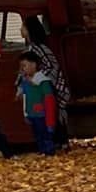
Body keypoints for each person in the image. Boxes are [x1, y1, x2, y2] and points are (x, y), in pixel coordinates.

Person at [22, 17, 71, 148]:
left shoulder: (37, 48)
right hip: (38, 88)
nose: (21, 30)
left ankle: (59, 141)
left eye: (23, 27)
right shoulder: (34, 47)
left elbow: (50, 66)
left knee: (50, 113)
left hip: (46, 87)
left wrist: (37, 78)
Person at [13, 53, 58, 155]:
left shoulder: (43, 81)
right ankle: (42, 150)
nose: (22, 69)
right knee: (37, 134)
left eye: (24, 65)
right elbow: (24, 95)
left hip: (42, 113)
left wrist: (50, 117)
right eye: (21, 66)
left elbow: (49, 99)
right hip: (31, 112)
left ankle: (49, 152)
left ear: (34, 65)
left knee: (45, 133)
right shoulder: (24, 81)